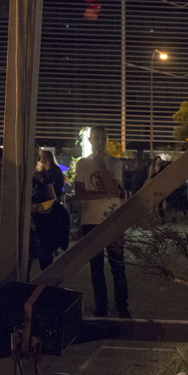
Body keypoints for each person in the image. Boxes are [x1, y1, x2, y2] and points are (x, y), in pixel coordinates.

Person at [74, 126, 130, 318]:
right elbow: (79, 193)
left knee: (118, 265)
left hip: (112, 219)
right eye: (95, 138)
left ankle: (122, 306)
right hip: (90, 221)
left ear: (106, 140)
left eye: (102, 138)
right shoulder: (81, 164)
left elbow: (113, 188)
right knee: (96, 268)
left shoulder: (114, 163)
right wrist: (106, 194)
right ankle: (101, 307)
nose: (98, 141)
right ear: (90, 140)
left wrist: (101, 165)